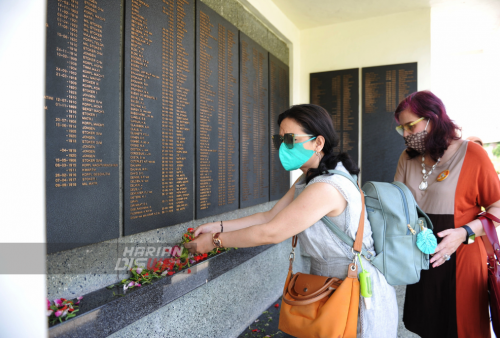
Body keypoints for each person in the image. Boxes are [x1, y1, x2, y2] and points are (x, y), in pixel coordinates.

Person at [185, 104, 398, 337]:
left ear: (318, 143)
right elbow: (270, 215)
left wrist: (215, 241)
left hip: (351, 287)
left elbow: (271, 232)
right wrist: (219, 226)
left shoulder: (326, 186)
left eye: (290, 139)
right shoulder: (309, 177)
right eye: (281, 140)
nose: (283, 147)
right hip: (328, 284)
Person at [393, 90, 500, 338]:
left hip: (462, 257)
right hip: (421, 261)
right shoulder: (407, 158)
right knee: (426, 326)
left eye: (411, 126)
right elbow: (398, 205)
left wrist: (463, 233)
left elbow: (497, 207)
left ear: (433, 118)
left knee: (463, 328)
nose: (406, 134)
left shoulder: (472, 154)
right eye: (402, 129)